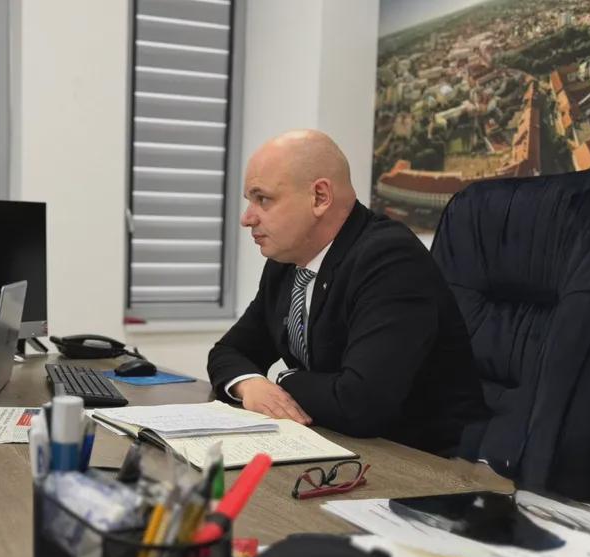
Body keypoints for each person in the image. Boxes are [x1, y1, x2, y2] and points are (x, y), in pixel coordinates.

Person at [207, 130, 487, 455]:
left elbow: (361, 403)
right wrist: (250, 384)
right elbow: (229, 351)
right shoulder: (287, 263)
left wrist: (282, 381)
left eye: (263, 199)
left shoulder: (390, 259)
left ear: (320, 197)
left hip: (425, 462)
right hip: (336, 445)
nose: (247, 218)